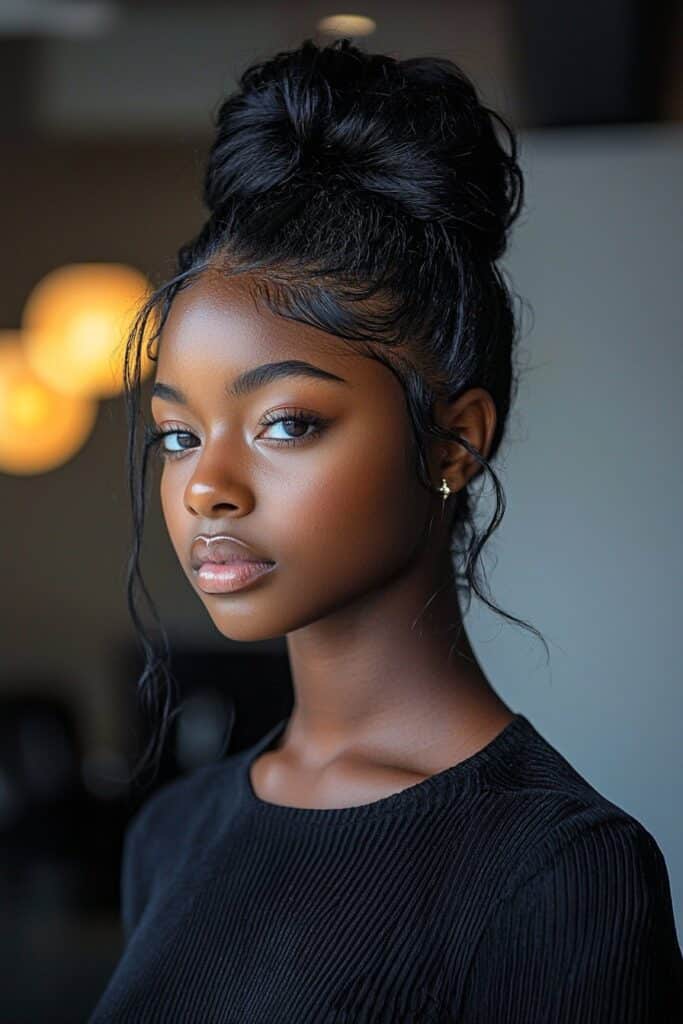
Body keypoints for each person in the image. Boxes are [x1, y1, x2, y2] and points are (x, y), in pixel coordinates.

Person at [88, 36, 683, 1023]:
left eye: (285, 422)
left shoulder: (561, 874)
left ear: (453, 440)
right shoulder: (172, 833)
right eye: (179, 434)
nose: (204, 488)